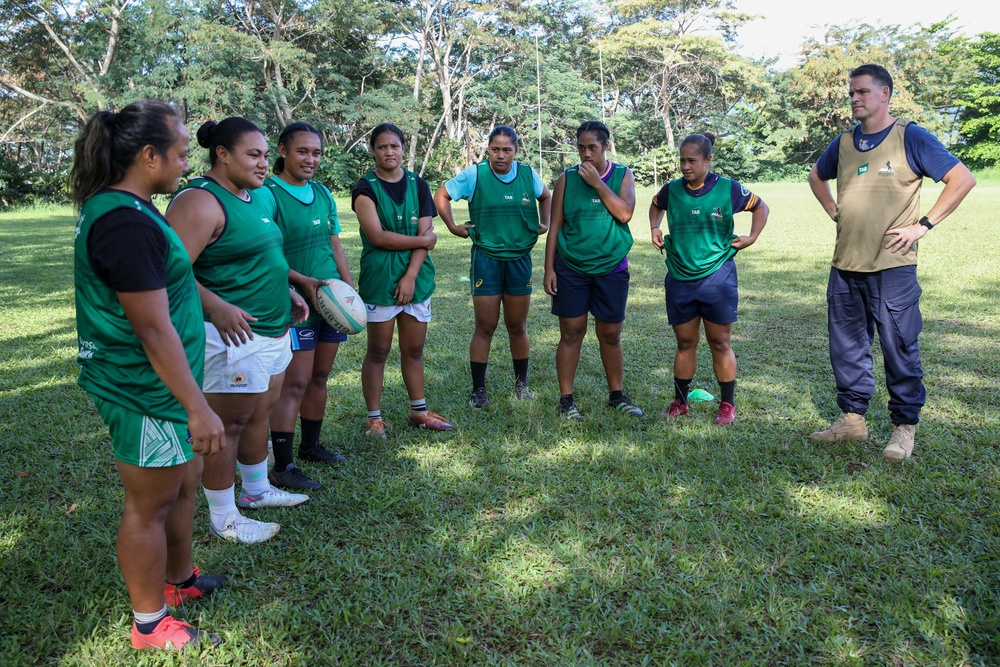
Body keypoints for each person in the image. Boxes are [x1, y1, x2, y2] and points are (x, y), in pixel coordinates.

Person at [71, 100, 225, 650]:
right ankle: (148, 623)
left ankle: (179, 583)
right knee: (149, 504)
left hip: (161, 384)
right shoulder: (123, 224)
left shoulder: (133, 210)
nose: (186, 163)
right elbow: (152, 329)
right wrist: (197, 405)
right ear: (148, 154)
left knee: (181, 486)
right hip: (142, 388)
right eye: (182, 153)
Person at [807, 64, 976, 461]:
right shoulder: (844, 143)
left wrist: (923, 225)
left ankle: (904, 428)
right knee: (846, 349)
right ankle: (852, 420)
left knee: (899, 346)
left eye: (863, 92)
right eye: (851, 92)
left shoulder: (910, 136)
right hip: (846, 264)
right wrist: (834, 209)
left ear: (885, 94)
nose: (855, 98)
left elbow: (962, 178)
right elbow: (816, 177)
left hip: (893, 267)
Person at [167, 117, 312, 543]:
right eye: (254, 154)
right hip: (228, 337)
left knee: (260, 412)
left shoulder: (259, 197)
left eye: (266, 155)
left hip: (271, 328)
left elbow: (264, 254)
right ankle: (224, 516)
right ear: (222, 154)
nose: (264, 162)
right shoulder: (198, 201)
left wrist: (287, 287)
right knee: (227, 425)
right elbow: (168, 273)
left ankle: (256, 490)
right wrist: (216, 304)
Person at [649, 133, 769, 425]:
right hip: (679, 277)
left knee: (720, 341)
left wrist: (752, 237)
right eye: (682, 160)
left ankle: (727, 404)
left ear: (708, 160)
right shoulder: (672, 189)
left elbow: (760, 207)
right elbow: (655, 204)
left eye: (692, 160)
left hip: (718, 276)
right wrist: (655, 226)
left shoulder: (728, 189)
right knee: (685, 342)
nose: (685, 166)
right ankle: (680, 401)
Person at [434, 126, 552, 408]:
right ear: (488, 149)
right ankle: (478, 390)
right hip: (486, 258)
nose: (500, 155)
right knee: (485, 326)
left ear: (516, 150)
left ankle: (522, 386)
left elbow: (546, 196)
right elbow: (442, 195)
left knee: (517, 325)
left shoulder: (526, 173)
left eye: (506, 150)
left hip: (519, 258)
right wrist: (452, 226)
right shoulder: (476, 174)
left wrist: (544, 223)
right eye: (495, 149)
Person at [265, 122, 354, 490]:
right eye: (302, 151)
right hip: (295, 303)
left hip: (329, 301)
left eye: (316, 153)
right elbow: (265, 252)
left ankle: (311, 446)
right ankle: (282, 465)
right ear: (283, 150)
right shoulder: (267, 193)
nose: (310, 159)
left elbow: (334, 245)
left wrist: (349, 290)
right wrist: (296, 285)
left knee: (320, 377)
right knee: (295, 382)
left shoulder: (322, 193)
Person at [352, 123, 453, 437]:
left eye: (394, 146)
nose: (389, 152)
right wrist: (423, 241)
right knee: (378, 350)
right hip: (380, 279)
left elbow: (426, 233)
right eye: (382, 147)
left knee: (414, 349)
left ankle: (419, 411)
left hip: (416, 279)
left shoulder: (418, 185)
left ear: (402, 148)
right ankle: (374, 419)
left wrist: (410, 276)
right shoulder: (365, 187)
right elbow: (378, 237)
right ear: (373, 150)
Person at [543, 120, 642, 420]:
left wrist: (598, 183)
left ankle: (616, 395)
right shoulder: (566, 179)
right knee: (571, 333)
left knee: (610, 333)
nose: (586, 154)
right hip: (571, 267)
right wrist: (549, 268)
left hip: (611, 267)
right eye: (581, 148)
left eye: (592, 148)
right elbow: (555, 225)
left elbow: (624, 214)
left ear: (606, 147)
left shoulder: (623, 175)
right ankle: (566, 401)